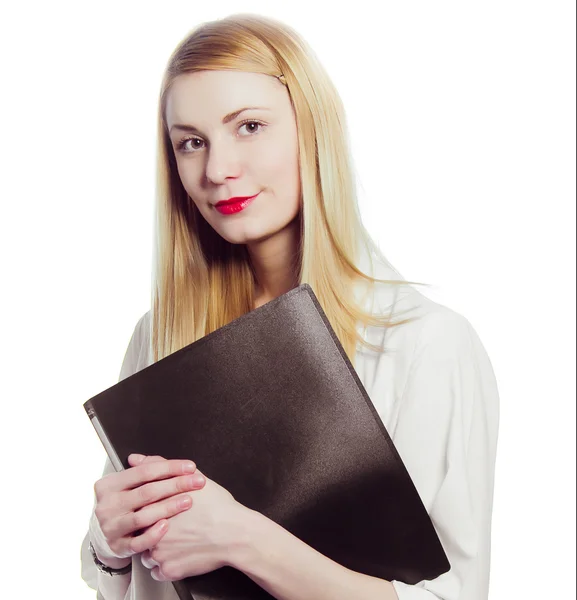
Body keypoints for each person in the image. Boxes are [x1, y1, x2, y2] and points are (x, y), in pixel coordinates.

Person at [80, 12, 500, 600]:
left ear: (312, 130)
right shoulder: (160, 336)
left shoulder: (426, 344)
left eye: (249, 126)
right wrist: (108, 543)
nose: (218, 170)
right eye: (191, 142)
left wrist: (242, 538)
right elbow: (127, 588)